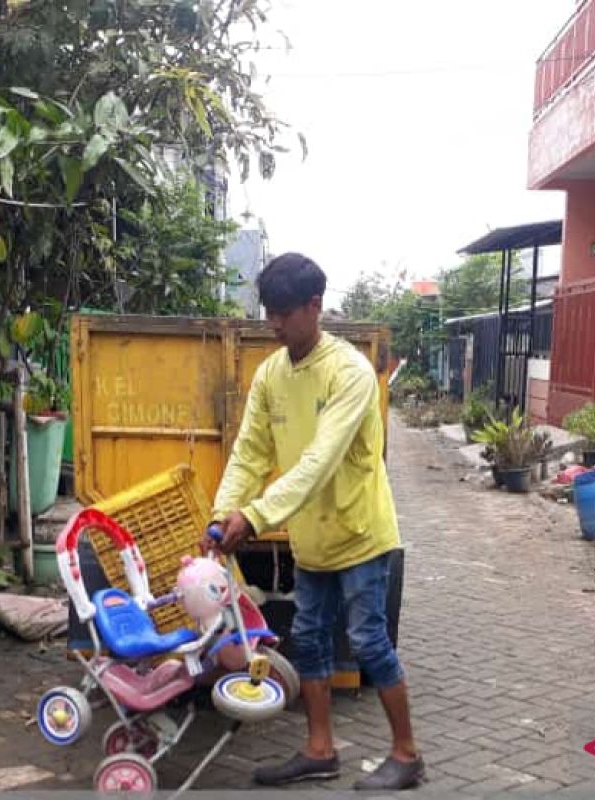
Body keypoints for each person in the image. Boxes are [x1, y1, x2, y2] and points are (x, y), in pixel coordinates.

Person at [205, 252, 423, 791]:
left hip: (360, 534)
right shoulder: (271, 376)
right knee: (307, 640)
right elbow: (250, 452)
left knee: (369, 642)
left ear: (314, 306)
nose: (275, 324)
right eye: (269, 313)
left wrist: (254, 518)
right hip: (310, 537)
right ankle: (320, 750)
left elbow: (319, 462)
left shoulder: (350, 373)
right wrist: (222, 513)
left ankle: (407, 754)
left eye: (284, 312)